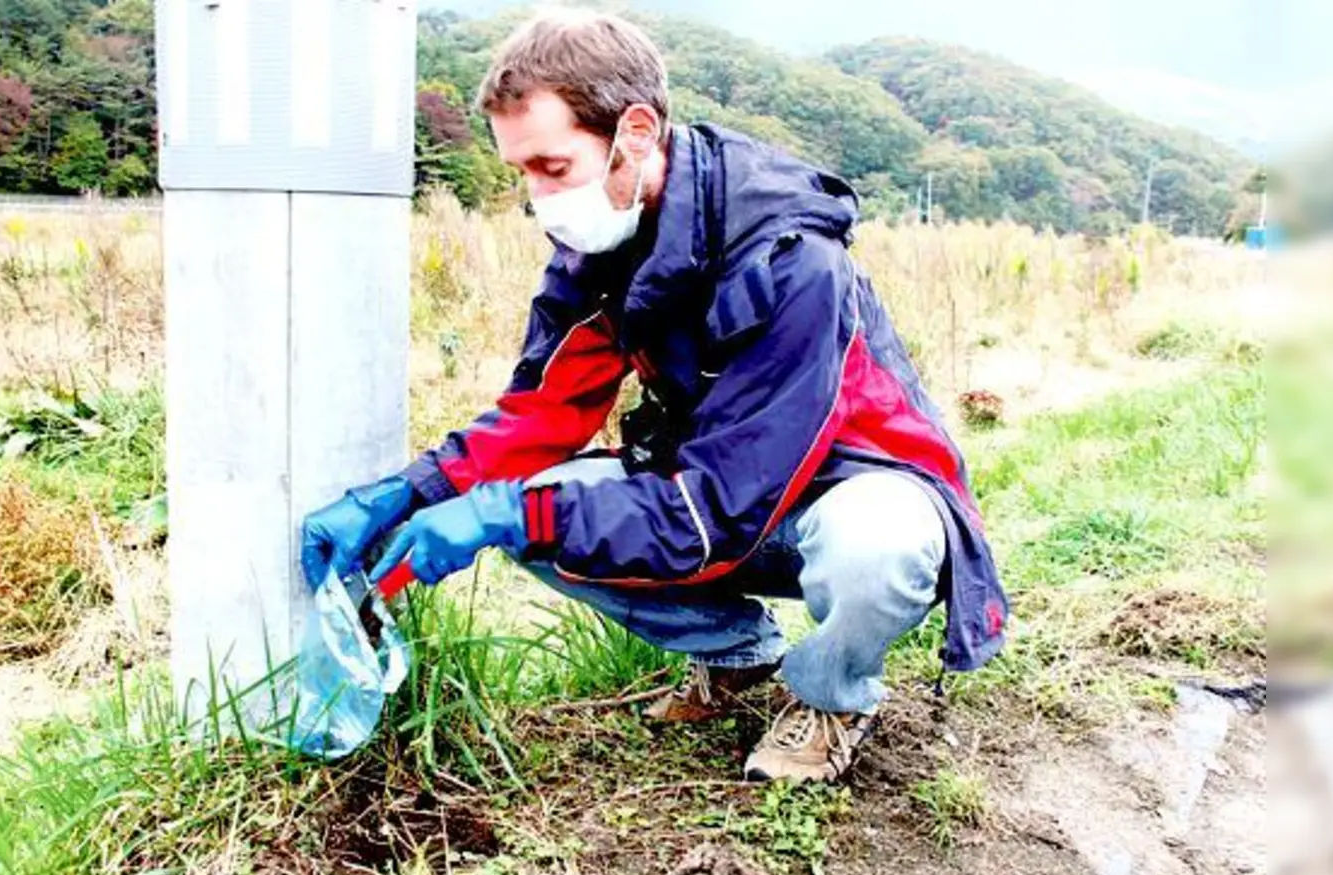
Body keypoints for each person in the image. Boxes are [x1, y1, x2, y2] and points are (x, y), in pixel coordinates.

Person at [301, 8, 1008, 783]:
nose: (539, 197)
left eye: (553, 166)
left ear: (634, 133)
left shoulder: (792, 260)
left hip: (849, 488)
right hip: (718, 486)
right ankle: (738, 655)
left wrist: (504, 513)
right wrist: (409, 492)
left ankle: (832, 696)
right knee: (534, 499)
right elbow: (544, 410)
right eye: (522, 174)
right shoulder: (602, 247)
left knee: (877, 547)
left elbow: (721, 505)